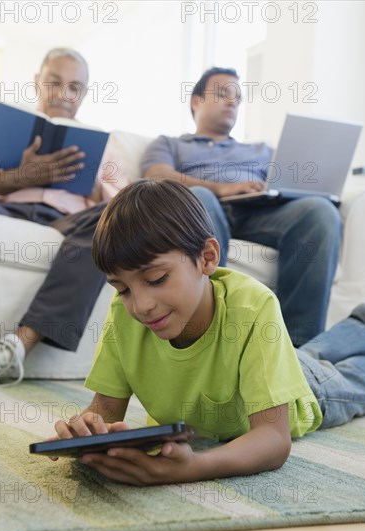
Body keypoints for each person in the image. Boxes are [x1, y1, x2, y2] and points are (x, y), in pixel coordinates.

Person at [53, 179, 365, 487]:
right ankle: (358, 326)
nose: (141, 306)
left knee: (349, 378)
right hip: (273, 362)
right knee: (305, 355)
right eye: (122, 288)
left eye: (156, 279)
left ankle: (361, 334)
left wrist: (195, 466)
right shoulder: (125, 315)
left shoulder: (253, 306)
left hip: (308, 390)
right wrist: (87, 429)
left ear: (207, 258)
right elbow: (105, 412)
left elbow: (274, 439)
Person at [140, 67, 342, 347]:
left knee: (321, 213)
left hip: (260, 213)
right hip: (206, 209)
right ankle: (209, 332)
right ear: (196, 101)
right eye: (223, 93)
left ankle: (298, 349)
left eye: (238, 97)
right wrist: (221, 189)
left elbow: (286, 183)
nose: (232, 101)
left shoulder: (261, 150)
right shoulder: (170, 144)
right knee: (200, 197)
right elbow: (156, 177)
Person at [0, 48, 128, 386]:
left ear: (85, 93)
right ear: (37, 83)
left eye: (74, 87)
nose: (63, 94)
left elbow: (127, 203)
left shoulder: (105, 146)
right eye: (54, 83)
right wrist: (20, 176)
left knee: (113, 219)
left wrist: (93, 185)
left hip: (68, 221)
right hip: (3, 207)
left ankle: (15, 348)